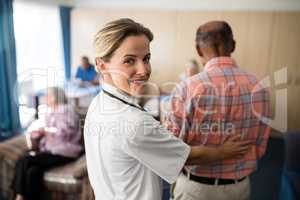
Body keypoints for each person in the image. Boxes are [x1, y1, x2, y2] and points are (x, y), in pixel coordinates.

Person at [84, 18, 253, 200]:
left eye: (146, 58)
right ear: (102, 65)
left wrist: (156, 133)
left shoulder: (97, 104)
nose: (144, 70)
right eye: (129, 61)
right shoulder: (135, 122)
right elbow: (186, 155)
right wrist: (223, 151)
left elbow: (131, 142)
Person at [165, 21, 272, 200]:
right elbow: (260, 148)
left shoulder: (186, 88)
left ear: (198, 50)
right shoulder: (260, 87)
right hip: (239, 188)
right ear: (234, 45)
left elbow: (171, 150)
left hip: (196, 190)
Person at [12, 87, 82, 200]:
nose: (45, 98)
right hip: (51, 150)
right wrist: (39, 133)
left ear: (55, 97)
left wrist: (46, 130)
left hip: (65, 151)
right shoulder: (50, 112)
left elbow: (65, 133)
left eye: (48, 95)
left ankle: (18, 197)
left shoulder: (66, 110)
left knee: (25, 160)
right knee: (32, 172)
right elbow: (47, 132)